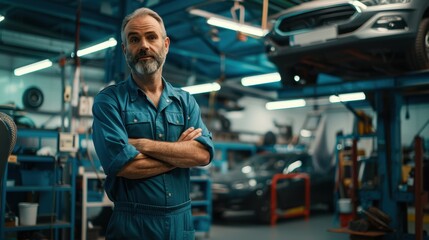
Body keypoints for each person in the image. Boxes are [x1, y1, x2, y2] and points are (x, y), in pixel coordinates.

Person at [91, 7, 214, 240]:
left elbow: (202, 156)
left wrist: (142, 145)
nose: (144, 45)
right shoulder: (109, 101)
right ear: (125, 49)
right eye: (134, 39)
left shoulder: (185, 102)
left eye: (151, 37)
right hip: (133, 224)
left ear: (165, 45)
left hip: (181, 223)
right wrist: (179, 154)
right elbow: (126, 167)